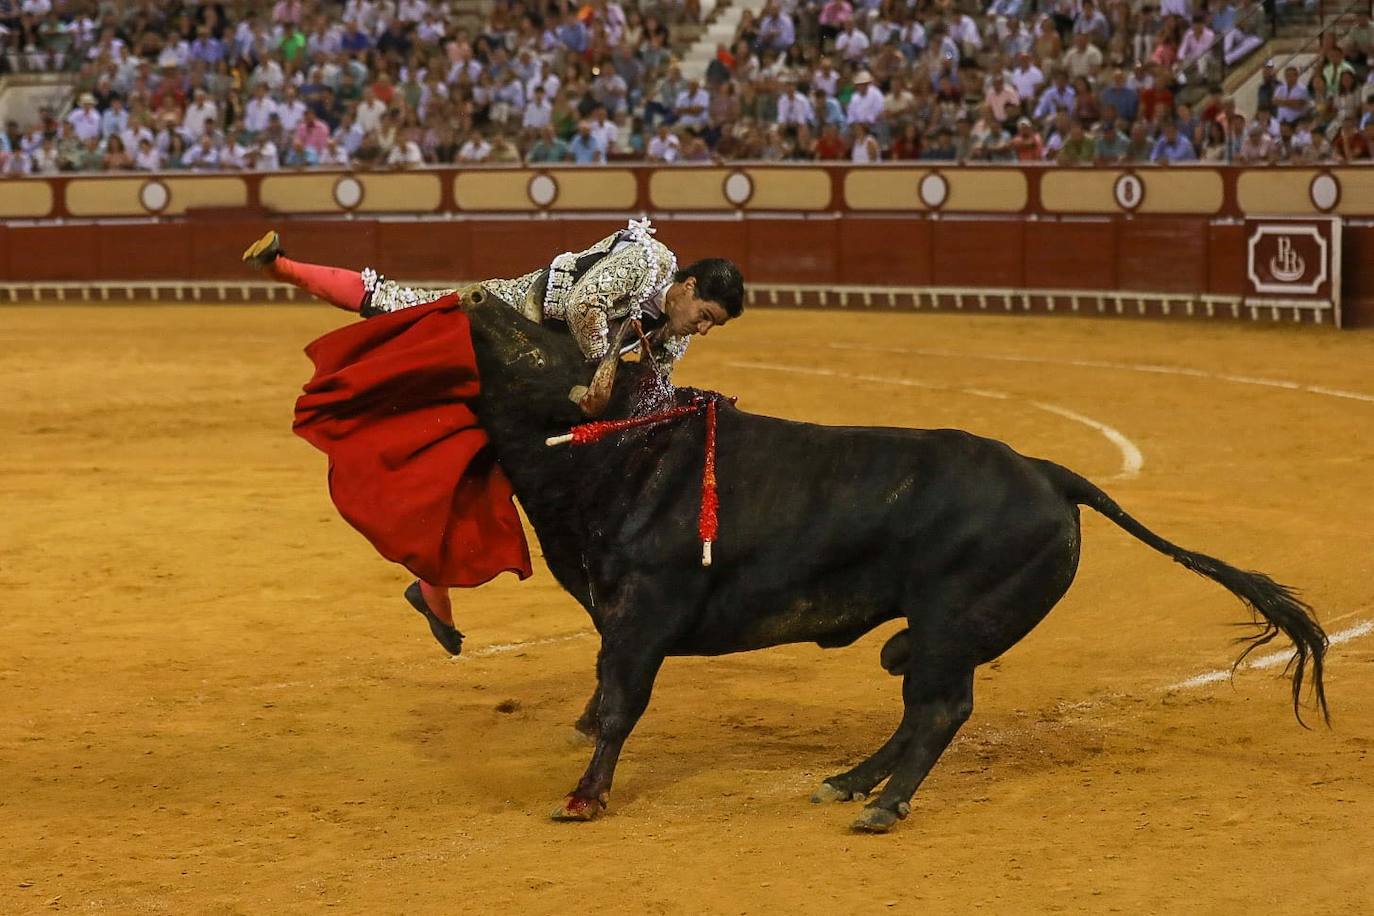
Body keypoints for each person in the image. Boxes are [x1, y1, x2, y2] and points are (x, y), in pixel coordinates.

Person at [242, 220, 745, 655]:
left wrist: (689, 405)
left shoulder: (673, 328)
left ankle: (431, 585)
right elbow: (583, 302)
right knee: (398, 306)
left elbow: (655, 388)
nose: (701, 330)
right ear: (688, 286)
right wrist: (602, 366)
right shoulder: (649, 259)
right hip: (503, 325)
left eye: (712, 327)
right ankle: (283, 267)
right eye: (705, 316)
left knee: (473, 461)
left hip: (537, 380)